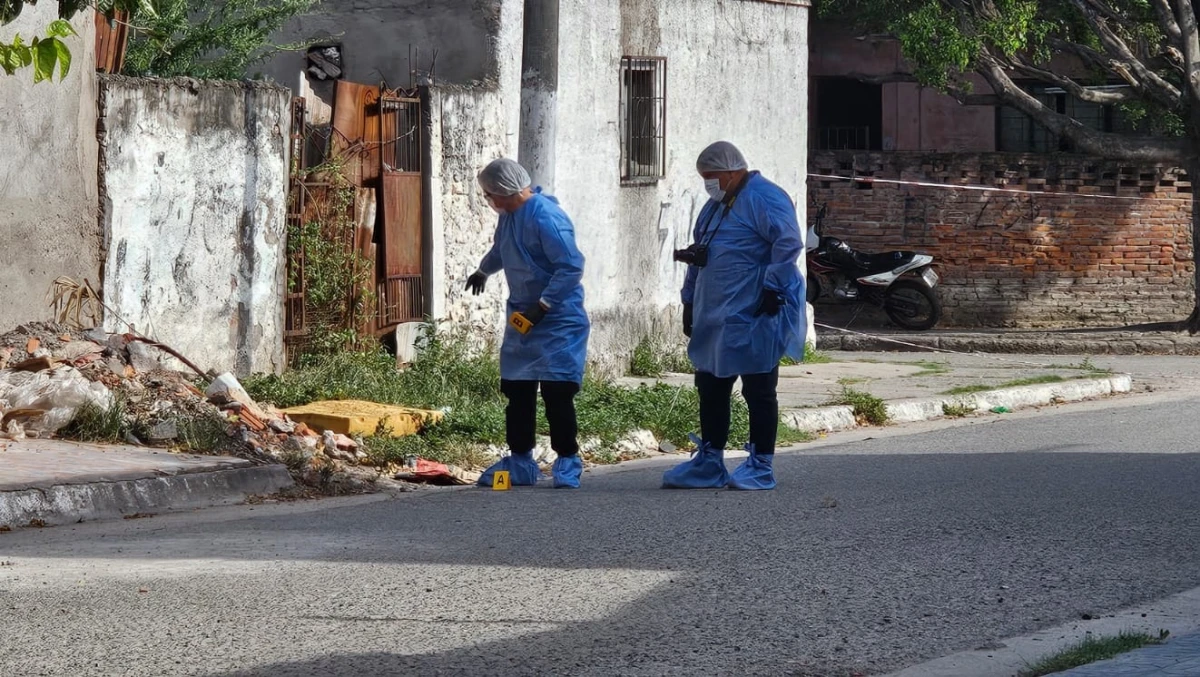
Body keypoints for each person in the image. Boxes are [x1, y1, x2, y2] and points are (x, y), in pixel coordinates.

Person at [663, 141, 806, 491]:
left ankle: (761, 465)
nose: (708, 184)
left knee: (758, 388)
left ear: (730, 170)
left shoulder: (764, 197)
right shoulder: (715, 206)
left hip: (754, 309)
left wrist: (773, 286)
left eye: (711, 176)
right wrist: (689, 301)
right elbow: (701, 254)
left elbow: (787, 243)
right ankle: (710, 461)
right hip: (715, 312)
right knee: (711, 385)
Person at [466, 158, 591, 489]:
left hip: (558, 318)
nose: (488, 200)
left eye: (488, 194)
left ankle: (567, 459)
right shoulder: (509, 217)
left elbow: (571, 266)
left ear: (503, 191)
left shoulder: (546, 217)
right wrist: (483, 270)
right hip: (523, 317)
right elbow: (501, 250)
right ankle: (520, 460)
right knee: (517, 389)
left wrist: (544, 305)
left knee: (557, 391)